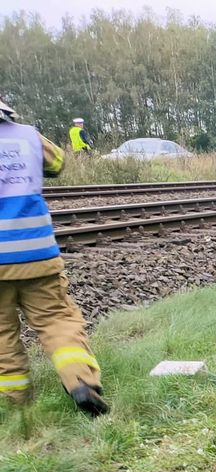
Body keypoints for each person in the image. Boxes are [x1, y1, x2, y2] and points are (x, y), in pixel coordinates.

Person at [1, 98, 108, 415]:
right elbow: (58, 163)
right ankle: (82, 383)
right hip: (36, 253)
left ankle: (14, 405)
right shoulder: (27, 135)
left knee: (2, 333)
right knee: (58, 321)